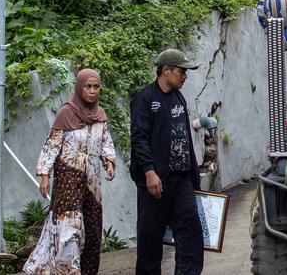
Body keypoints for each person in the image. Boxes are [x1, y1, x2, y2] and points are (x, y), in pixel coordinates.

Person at [23, 68, 116, 275]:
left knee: (92, 230)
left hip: (92, 182)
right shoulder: (66, 113)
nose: (92, 91)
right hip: (68, 179)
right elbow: (51, 146)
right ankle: (68, 271)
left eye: (96, 87)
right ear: (79, 87)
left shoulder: (100, 115)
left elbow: (106, 141)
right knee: (68, 229)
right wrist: (45, 176)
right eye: (88, 86)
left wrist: (109, 161)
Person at [130, 49, 203, 275]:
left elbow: (185, 137)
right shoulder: (145, 99)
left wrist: (194, 177)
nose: (185, 76)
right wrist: (149, 171)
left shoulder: (178, 97)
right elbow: (139, 139)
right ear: (165, 71)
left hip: (181, 180)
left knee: (190, 232)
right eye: (181, 71)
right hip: (155, 182)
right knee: (150, 239)